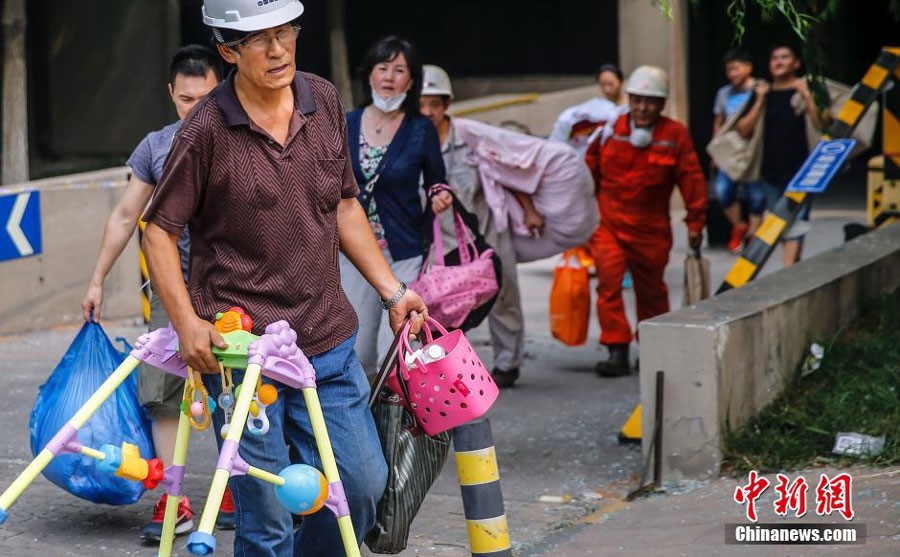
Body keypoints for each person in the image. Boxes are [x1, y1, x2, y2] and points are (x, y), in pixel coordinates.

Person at [141, 2, 429, 555]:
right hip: (247, 355)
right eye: (258, 40)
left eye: (285, 34)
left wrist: (392, 291)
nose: (277, 50)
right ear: (228, 51)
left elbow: (345, 204)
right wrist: (186, 324)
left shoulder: (322, 98)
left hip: (328, 339)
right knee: (268, 515)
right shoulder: (204, 131)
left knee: (361, 489)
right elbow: (157, 230)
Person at [80, 45, 228, 540]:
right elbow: (125, 216)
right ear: (171, 95)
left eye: (206, 97)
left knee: (240, 390)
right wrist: (98, 278)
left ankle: (238, 488)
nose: (196, 109)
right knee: (160, 391)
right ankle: (176, 496)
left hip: (235, 286)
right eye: (186, 99)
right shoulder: (156, 147)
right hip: (172, 286)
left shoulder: (240, 139)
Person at [419, 64, 538, 389]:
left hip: (485, 231)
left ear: (447, 105)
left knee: (503, 295)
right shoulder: (411, 138)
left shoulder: (470, 134)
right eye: (422, 104)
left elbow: (506, 170)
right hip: (442, 240)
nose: (428, 111)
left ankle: (507, 363)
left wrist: (529, 210)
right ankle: (449, 367)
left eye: (435, 103)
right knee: (445, 304)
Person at [585, 66, 707, 377]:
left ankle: (652, 348)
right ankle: (616, 349)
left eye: (649, 102)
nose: (641, 108)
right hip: (609, 223)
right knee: (609, 284)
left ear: (662, 104)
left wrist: (696, 222)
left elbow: (691, 178)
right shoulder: (609, 130)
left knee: (651, 290)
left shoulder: (674, 135)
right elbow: (587, 173)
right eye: (636, 100)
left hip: (651, 228)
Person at [342, 36, 452, 377]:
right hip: (353, 250)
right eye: (382, 67)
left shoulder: (421, 129)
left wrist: (440, 193)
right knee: (357, 347)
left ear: (412, 80)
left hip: (403, 249)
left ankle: (397, 426)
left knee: (397, 345)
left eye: (399, 69)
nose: (389, 76)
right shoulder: (347, 122)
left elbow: (437, 177)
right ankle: (362, 422)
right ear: (369, 75)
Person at [736, 43, 822, 266]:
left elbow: (822, 124)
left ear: (796, 63)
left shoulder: (804, 90)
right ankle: (793, 271)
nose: (779, 61)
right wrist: (760, 100)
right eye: (775, 58)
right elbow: (744, 130)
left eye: (785, 57)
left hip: (803, 173)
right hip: (770, 174)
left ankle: (788, 274)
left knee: (796, 225)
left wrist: (806, 94)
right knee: (786, 227)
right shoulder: (763, 93)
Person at [711, 47, 767, 254]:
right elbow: (719, 122)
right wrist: (716, 151)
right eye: (729, 70)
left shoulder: (760, 89)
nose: (732, 74)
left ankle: (753, 234)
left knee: (756, 196)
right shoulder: (724, 94)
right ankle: (739, 226)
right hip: (730, 149)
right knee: (723, 191)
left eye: (735, 69)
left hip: (753, 149)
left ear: (748, 67)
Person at [548, 64, 623, 156]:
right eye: (603, 85)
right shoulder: (599, 107)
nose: (607, 89)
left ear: (620, 81)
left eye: (610, 84)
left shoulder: (629, 106)